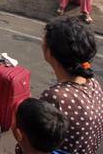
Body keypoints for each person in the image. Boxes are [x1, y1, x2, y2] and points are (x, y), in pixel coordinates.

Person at [38, 18, 102, 154]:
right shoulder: (93, 83)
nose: (42, 42)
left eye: (44, 41)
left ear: (49, 52)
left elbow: (36, 143)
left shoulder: (55, 97)